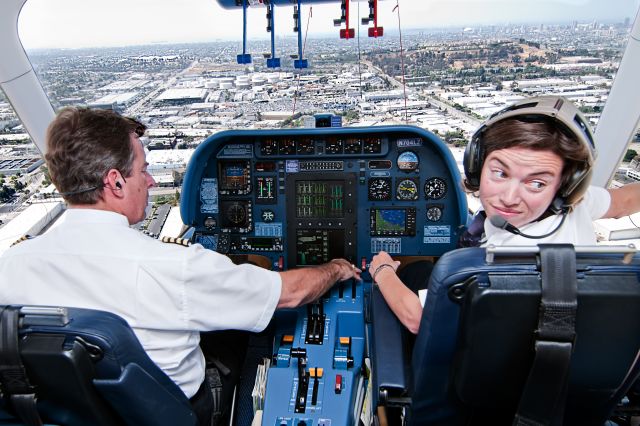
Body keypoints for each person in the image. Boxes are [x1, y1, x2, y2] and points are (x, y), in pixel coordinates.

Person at [0, 107, 361, 425]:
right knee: (244, 330)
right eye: (144, 170)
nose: (152, 180)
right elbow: (290, 293)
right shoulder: (174, 266)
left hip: (63, 414)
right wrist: (336, 269)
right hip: (177, 412)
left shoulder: (10, 266)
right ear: (115, 181)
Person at [369, 95, 640, 334]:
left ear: (565, 185)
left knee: (411, 270)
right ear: (478, 164)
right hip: (539, 341)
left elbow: (417, 318)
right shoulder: (575, 203)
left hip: (478, 355)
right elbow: (624, 200)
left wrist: (382, 271)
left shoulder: (492, 267)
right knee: (423, 269)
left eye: (536, 183)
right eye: (500, 173)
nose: (509, 198)